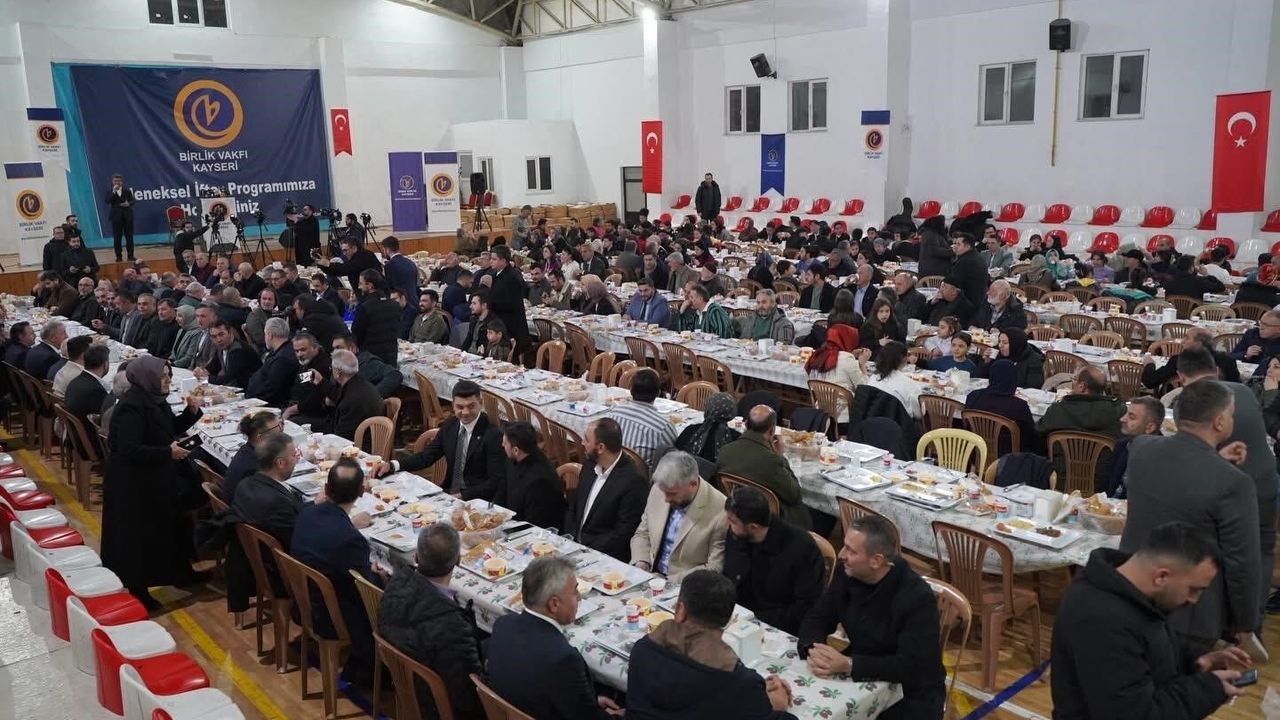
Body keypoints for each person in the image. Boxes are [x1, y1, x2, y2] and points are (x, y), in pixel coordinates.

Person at [1053, 522, 1251, 719]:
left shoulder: (1135, 596)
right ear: (1161, 576)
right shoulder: (1102, 621)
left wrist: (1196, 662)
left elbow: (1148, 651)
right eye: (1193, 589)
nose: (1194, 600)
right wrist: (1209, 689)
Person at [1122, 380, 1261, 656]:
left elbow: (1178, 481)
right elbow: (1242, 563)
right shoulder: (1235, 483)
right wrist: (1246, 625)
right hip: (1188, 616)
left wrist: (1215, 460)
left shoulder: (1140, 448)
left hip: (1131, 596)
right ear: (1219, 422)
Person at [797, 515, 945, 720]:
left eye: (851, 550)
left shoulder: (916, 598)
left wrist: (850, 665)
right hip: (862, 674)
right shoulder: (847, 572)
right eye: (844, 546)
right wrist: (814, 649)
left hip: (910, 694)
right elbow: (819, 615)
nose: (841, 554)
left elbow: (912, 665)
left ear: (876, 561)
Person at [101, 357, 204, 610]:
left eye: (168, 375)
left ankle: (181, 572)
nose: (168, 380)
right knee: (139, 538)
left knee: (173, 526)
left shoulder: (154, 399)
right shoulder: (132, 406)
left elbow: (168, 428)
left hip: (155, 476)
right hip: (134, 483)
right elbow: (129, 449)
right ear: (147, 378)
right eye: (163, 376)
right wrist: (168, 453)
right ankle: (138, 590)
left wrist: (191, 412)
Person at [627, 569, 796, 720]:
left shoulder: (642, 650)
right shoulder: (738, 684)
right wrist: (776, 704)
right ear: (728, 620)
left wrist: (755, 697)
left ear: (680, 610)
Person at [487, 556, 624, 719]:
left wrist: (589, 701)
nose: (579, 597)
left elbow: (554, 691)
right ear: (554, 604)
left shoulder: (503, 624)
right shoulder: (563, 659)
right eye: (575, 591)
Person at [290, 458, 384, 685]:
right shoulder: (350, 540)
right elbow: (366, 591)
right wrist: (379, 577)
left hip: (302, 600)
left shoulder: (307, 513)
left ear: (326, 488)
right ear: (361, 492)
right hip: (329, 615)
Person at [378, 522, 484, 720]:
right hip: (434, 706)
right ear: (458, 561)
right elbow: (469, 697)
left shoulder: (395, 584)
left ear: (416, 557)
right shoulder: (453, 627)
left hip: (405, 687)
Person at [722, 486, 825, 634]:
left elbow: (806, 607)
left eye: (732, 522)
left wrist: (753, 619)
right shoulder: (737, 535)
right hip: (736, 618)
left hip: (778, 627)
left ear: (753, 527)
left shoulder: (802, 549)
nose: (727, 525)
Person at [378, 380, 503, 499]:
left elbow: (495, 482)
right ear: (453, 405)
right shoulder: (450, 426)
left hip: (477, 499)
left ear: (480, 403)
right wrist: (393, 465)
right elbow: (425, 457)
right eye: (460, 407)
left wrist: (463, 496)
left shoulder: (493, 435)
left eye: (471, 406)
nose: (465, 412)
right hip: (449, 492)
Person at [630, 451, 727, 578]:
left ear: (693, 484)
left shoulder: (720, 510)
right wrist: (641, 562)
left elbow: (714, 567)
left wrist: (668, 581)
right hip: (649, 574)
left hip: (684, 583)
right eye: (664, 492)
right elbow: (643, 533)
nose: (666, 499)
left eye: (673, 494)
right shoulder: (660, 489)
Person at [715, 406, 810, 529]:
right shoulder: (772, 461)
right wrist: (781, 457)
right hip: (771, 520)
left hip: (736, 511)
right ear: (772, 431)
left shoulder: (725, 451)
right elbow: (794, 495)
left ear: (746, 424)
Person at [569, 417, 648, 561]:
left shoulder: (633, 481)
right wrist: (570, 539)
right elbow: (573, 506)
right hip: (573, 546)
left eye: (586, 439)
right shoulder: (589, 465)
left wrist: (586, 550)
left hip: (603, 556)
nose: (582, 443)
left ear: (600, 447)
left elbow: (623, 533)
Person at [300, 349, 384, 442]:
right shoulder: (359, 383)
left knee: (298, 423)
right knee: (299, 421)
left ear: (338, 372)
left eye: (331, 369)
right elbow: (340, 394)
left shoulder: (351, 400)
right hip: (362, 434)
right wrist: (321, 382)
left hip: (354, 443)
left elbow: (341, 438)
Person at [495, 421, 566, 530]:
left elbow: (534, 524)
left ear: (516, 450)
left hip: (534, 532)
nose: (502, 445)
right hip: (511, 521)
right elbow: (503, 490)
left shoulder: (540, 481)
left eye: (505, 443)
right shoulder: (513, 460)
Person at [1037, 366, 1125, 451]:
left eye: (1075, 379)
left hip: (1060, 460)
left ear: (1082, 387)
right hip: (1104, 461)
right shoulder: (1118, 412)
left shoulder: (1057, 410)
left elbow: (1038, 434)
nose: (1073, 383)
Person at [607, 369, 677, 469]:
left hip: (611, 468)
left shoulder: (614, 413)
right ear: (658, 393)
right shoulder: (663, 426)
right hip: (641, 476)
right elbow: (674, 456)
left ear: (631, 391)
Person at [964, 359, 1035, 453]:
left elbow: (966, 424)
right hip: (1007, 455)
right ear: (1013, 379)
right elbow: (1030, 433)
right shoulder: (1019, 406)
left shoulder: (974, 396)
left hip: (976, 450)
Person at [1142, 327, 1241, 391]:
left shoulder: (1182, 359)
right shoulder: (1227, 360)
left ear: (1198, 343)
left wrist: (1149, 364)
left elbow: (1150, 381)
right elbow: (1236, 386)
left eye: (1187, 338)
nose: (1182, 341)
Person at [1103, 396, 1164, 498]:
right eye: (1126, 414)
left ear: (1150, 427)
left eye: (1131, 417)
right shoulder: (1122, 446)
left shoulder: (1162, 458)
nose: (1122, 419)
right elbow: (1107, 487)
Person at [805, 325, 865, 424]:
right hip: (843, 416)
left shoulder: (820, 354)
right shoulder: (847, 360)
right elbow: (863, 388)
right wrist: (862, 364)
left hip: (820, 413)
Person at [222, 411, 284, 502]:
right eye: (278, 429)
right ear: (261, 437)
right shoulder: (255, 467)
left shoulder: (247, 449)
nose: (282, 432)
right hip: (244, 507)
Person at [674, 391, 741, 465]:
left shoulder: (690, 431)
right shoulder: (736, 439)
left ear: (707, 409)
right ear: (732, 413)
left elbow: (675, 455)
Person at [244, 318, 299, 408]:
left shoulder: (282, 359)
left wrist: (252, 401)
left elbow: (271, 389)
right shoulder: (284, 351)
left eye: (265, 334)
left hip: (268, 406)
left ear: (270, 335)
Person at [350, 269, 400, 364]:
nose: (359, 287)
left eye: (361, 283)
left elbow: (356, 333)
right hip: (391, 355)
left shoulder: (365, 307)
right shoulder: (395, 305)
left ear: (370, 285)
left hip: (371, 357)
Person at [486, 246, 530, 352]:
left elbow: (511, 302)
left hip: (511, 324)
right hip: (500, 320)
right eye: (491, 258)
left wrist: (490, 304)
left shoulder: (512, 277)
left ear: (504, 261)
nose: (491, 261)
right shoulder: (495, 274)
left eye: (494, 259)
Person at [864, 341, 924, 419]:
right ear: (905, 359)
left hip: (871, 421)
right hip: (899, 424)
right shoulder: (911, 385)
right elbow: (919, 414)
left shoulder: (873, 378)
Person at [195, 320, 262, 388]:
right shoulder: (221, 347)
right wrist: (201, 371)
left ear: (230, 332)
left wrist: (207, 378)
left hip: (251, 389)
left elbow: (229, 380)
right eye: (214, 337)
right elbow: (214, 366)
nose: (218, 340)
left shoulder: (238, 350)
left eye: (221, 334)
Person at [978, 328, 1045, 389]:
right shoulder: (997, 353)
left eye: (1005, 343)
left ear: (1015, 344)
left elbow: (1034, 386)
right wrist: (986, 362)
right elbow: (981, 378)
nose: (1000, 345)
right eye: (999, 341)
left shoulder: (1033, 359)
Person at [64, 344, 110, 430]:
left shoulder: (75, 381)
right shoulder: (96, 391)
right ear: (105, 364)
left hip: (73, 431)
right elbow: (104, 418)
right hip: (88, 434)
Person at [104, 173, 136, 261]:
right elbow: (107, 201)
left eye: (119, 181)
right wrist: (113, 191)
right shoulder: (110, 191)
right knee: (117, 238)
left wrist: (128, 203)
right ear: (112, 182)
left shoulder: (127, 190)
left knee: (129, 237)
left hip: (127, 216)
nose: (117, 183)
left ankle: (130, 255)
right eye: (115, 181)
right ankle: (119, 256)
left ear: (121, 182)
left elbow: (133, 200)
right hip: (116, 217)